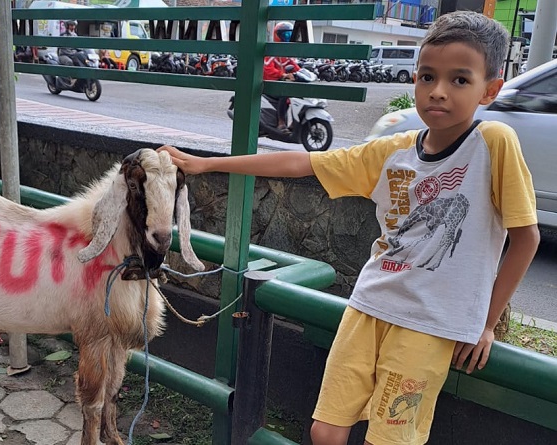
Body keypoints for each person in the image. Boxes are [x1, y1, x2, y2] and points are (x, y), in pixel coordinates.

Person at [159, 11, 540, 445]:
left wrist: (486, 323)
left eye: (459, 80)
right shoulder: (393, 150)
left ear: (489, 90)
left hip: (429, 324)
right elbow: (302, 162)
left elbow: (525, 238)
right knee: (325, 431)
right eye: (427, 77)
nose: (438, 91)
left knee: (390, 439)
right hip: (368, 305)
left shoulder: (492, 143)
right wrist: (206, 163)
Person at [264, 21, 300, 132]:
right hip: (270, 84)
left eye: (290, 35)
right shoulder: (272, 51)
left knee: (298, 94)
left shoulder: (287, 51)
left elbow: (294, 66)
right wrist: (283, 75)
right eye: (285, 34)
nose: (287, 37)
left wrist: (302, 73)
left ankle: (295, 123)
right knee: (284, 94)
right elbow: (268, 69)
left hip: (281, 82)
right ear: (277, 35)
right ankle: (281, 122)